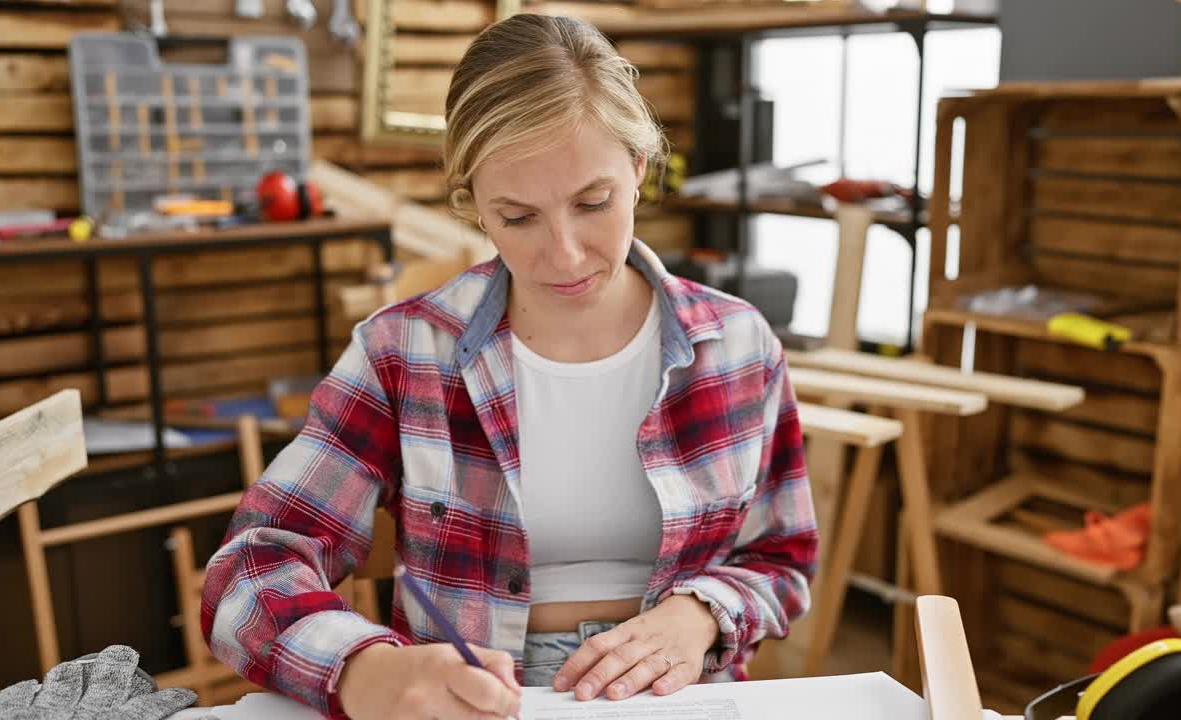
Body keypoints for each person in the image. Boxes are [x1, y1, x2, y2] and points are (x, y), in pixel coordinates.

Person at [200, 13, 816, 720]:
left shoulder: (738, 346)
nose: (565, 254)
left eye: (593, 203)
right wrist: (363, 669)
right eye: (518, 217)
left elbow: (784, 557)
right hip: (468, 703)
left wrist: (704, 614)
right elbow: (249, 569)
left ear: (639, 168)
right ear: (474, 208)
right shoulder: (404, 352)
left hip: (681, 700)